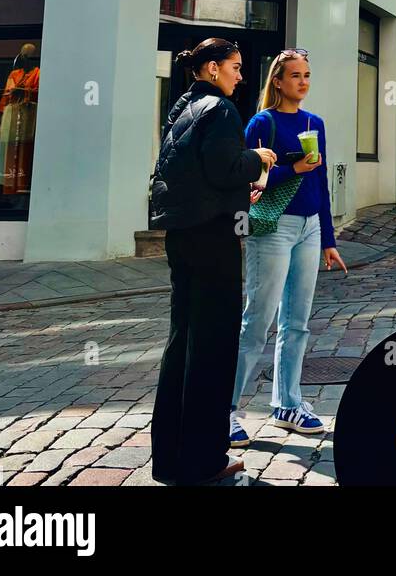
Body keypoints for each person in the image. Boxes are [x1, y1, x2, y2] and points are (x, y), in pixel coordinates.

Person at [150, 38, 276, 487]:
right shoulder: (220, 110)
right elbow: (225, 168)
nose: (241, 76)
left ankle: (169, 459)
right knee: (213, 347)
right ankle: (204, 460)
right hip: (213, 239)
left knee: (181, 343)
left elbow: (195, 173)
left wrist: (242, 191)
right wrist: (256, 159)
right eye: (236, 67)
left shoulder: (181, 108)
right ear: (211, 68)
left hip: (182, 236)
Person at [230, 49, 347, 448]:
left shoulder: (316, 123)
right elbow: (248, 179)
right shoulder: (262, 123)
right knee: (257, 321)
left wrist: (328, 239)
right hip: (273, 228)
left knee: (297, 323)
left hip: (310, 227)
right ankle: (225, 410)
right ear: (277, 81)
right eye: (295, 75)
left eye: (307, 75)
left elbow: (321, 184)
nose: (303, 82)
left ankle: (287, 404)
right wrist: (292, 169)